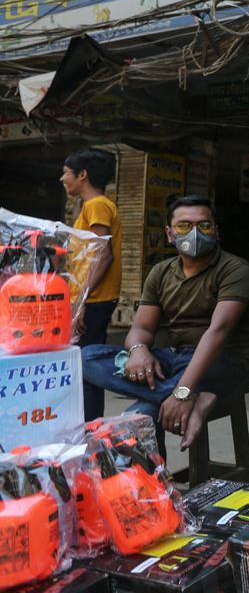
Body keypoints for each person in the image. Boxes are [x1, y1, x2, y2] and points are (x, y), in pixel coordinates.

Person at [80, 195, 249, 450]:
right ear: (169, 233)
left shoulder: (235, 269)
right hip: (176, 357)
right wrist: (139, 351)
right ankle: (195, 397)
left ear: (216, 232)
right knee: (86, 358)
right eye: (184, 226)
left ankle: (156, 488)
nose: (195, 233)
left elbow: (220, 330)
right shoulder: (161, 272)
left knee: (140, 415)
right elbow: (141, 328)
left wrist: (182, 392)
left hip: (226, 361)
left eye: (204, 225)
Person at [62, 150, 124, 421]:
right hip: (92, 298)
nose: (62, 177)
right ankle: (90, 427)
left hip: (94, 300)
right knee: (86, 366)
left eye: (66, 171)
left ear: (82, 174)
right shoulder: (95, 205)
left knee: (86, 367)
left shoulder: (95, 205)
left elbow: (104, 254)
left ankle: (90, 430)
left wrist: (81, 302)